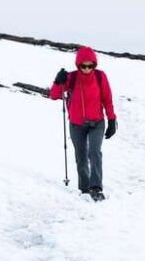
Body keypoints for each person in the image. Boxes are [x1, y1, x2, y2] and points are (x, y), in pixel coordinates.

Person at [50, 46, 117, 201]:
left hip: (97, 123)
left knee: (94, 152)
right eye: (83, 65)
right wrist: (58, 81)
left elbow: (107, 99)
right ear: (78, 64)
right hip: (76, 125)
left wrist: (112, 119)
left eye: (90, 65)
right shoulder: (71, 78)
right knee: (81, 157)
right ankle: (85, 188)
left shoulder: (100, 77)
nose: (87, 69)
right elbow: (54, 95)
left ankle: (96, 188)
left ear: (95, 64)